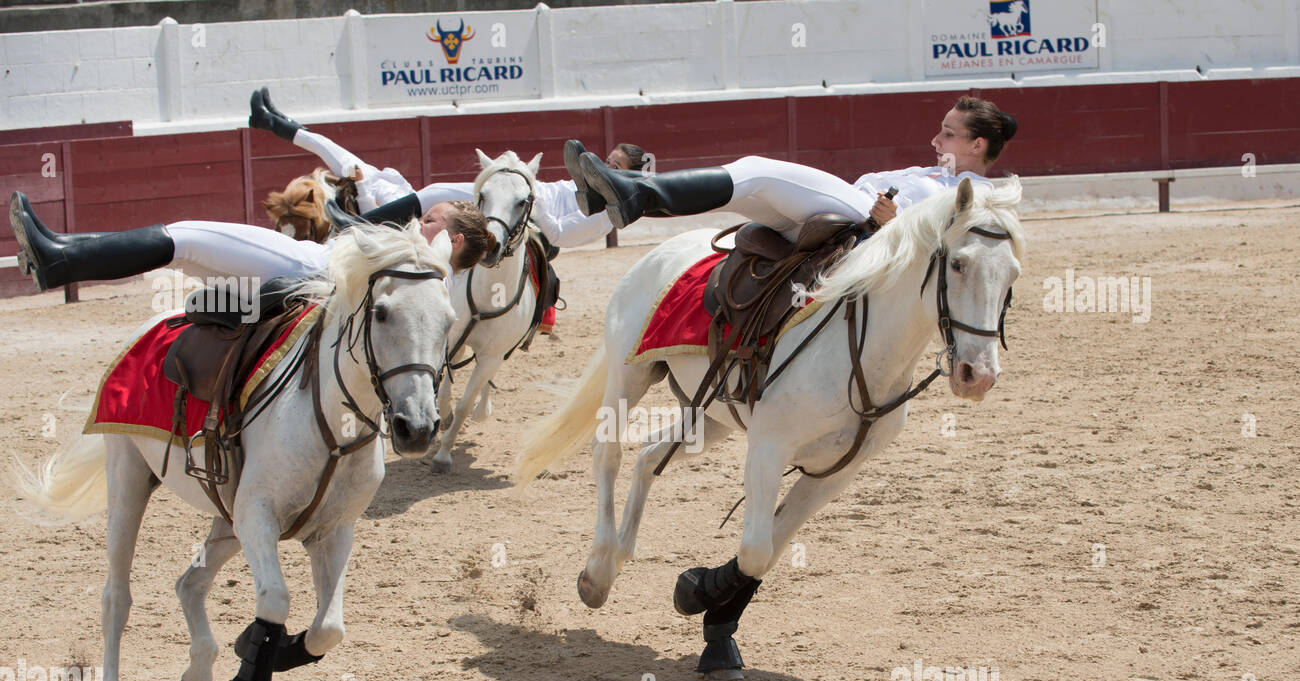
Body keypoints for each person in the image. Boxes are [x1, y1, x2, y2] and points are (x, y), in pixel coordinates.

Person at [564, 96, 1018, 240]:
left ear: (978, 145)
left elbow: (958, 248)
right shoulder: (939, 174)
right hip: (848, 213)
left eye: (949, 133)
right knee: (745, 193)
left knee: (758, 169)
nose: (936, 139)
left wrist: (899, 221)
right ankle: (624, 196)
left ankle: (633, 190)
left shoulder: (980, 194)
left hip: (862, 218)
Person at [248, 87, 651, 249]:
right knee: (357, 166)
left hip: (515, 214)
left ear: (625, 176)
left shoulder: (604, 217)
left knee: (434, 192)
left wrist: (528, 192)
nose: (602, 166)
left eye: (613, 165)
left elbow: (560, 237)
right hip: (516, 193)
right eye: (607, 159)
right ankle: (279, 125)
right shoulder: (586, 185)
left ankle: (352, 227)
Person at [8, 191, 496, 294]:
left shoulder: (436, 269)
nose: (420, 220)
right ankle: (60, 248)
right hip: (312, 267)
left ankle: (58, 263)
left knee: (187, 237)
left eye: (430, 219)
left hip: (309, 267)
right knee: (186, 246)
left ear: (451, 240)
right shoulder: (434, 270)